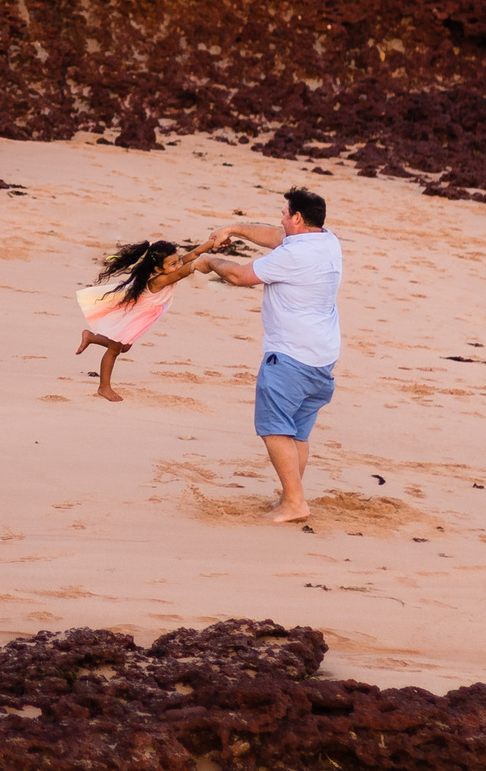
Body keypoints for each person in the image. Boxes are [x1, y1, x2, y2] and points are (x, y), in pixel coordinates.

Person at [187, 189, 342, 524]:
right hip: (322, 355)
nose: (281, 220)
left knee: (273, 429)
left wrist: (210, 261)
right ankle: (291, 496)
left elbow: (239, 276)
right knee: (296, 432)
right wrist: (233, 228)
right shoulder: (327, 241)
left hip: (291, 356)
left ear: (297, 218)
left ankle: (295, 504)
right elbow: (275, 236)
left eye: (285, 214)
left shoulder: (293, 256)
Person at [74, 237, 225, 401]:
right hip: (132, 315)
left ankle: (91, 337)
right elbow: (183, 271)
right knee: (115, 350)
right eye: (173, 264)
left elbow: (194, 252)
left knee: (124, 347)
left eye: (177, 261)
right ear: (158, 268)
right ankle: (104, 387)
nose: (178, 265)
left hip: (141, 313)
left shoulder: (167, 268)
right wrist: (197, 264)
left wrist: (212, 243)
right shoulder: (160, 279)